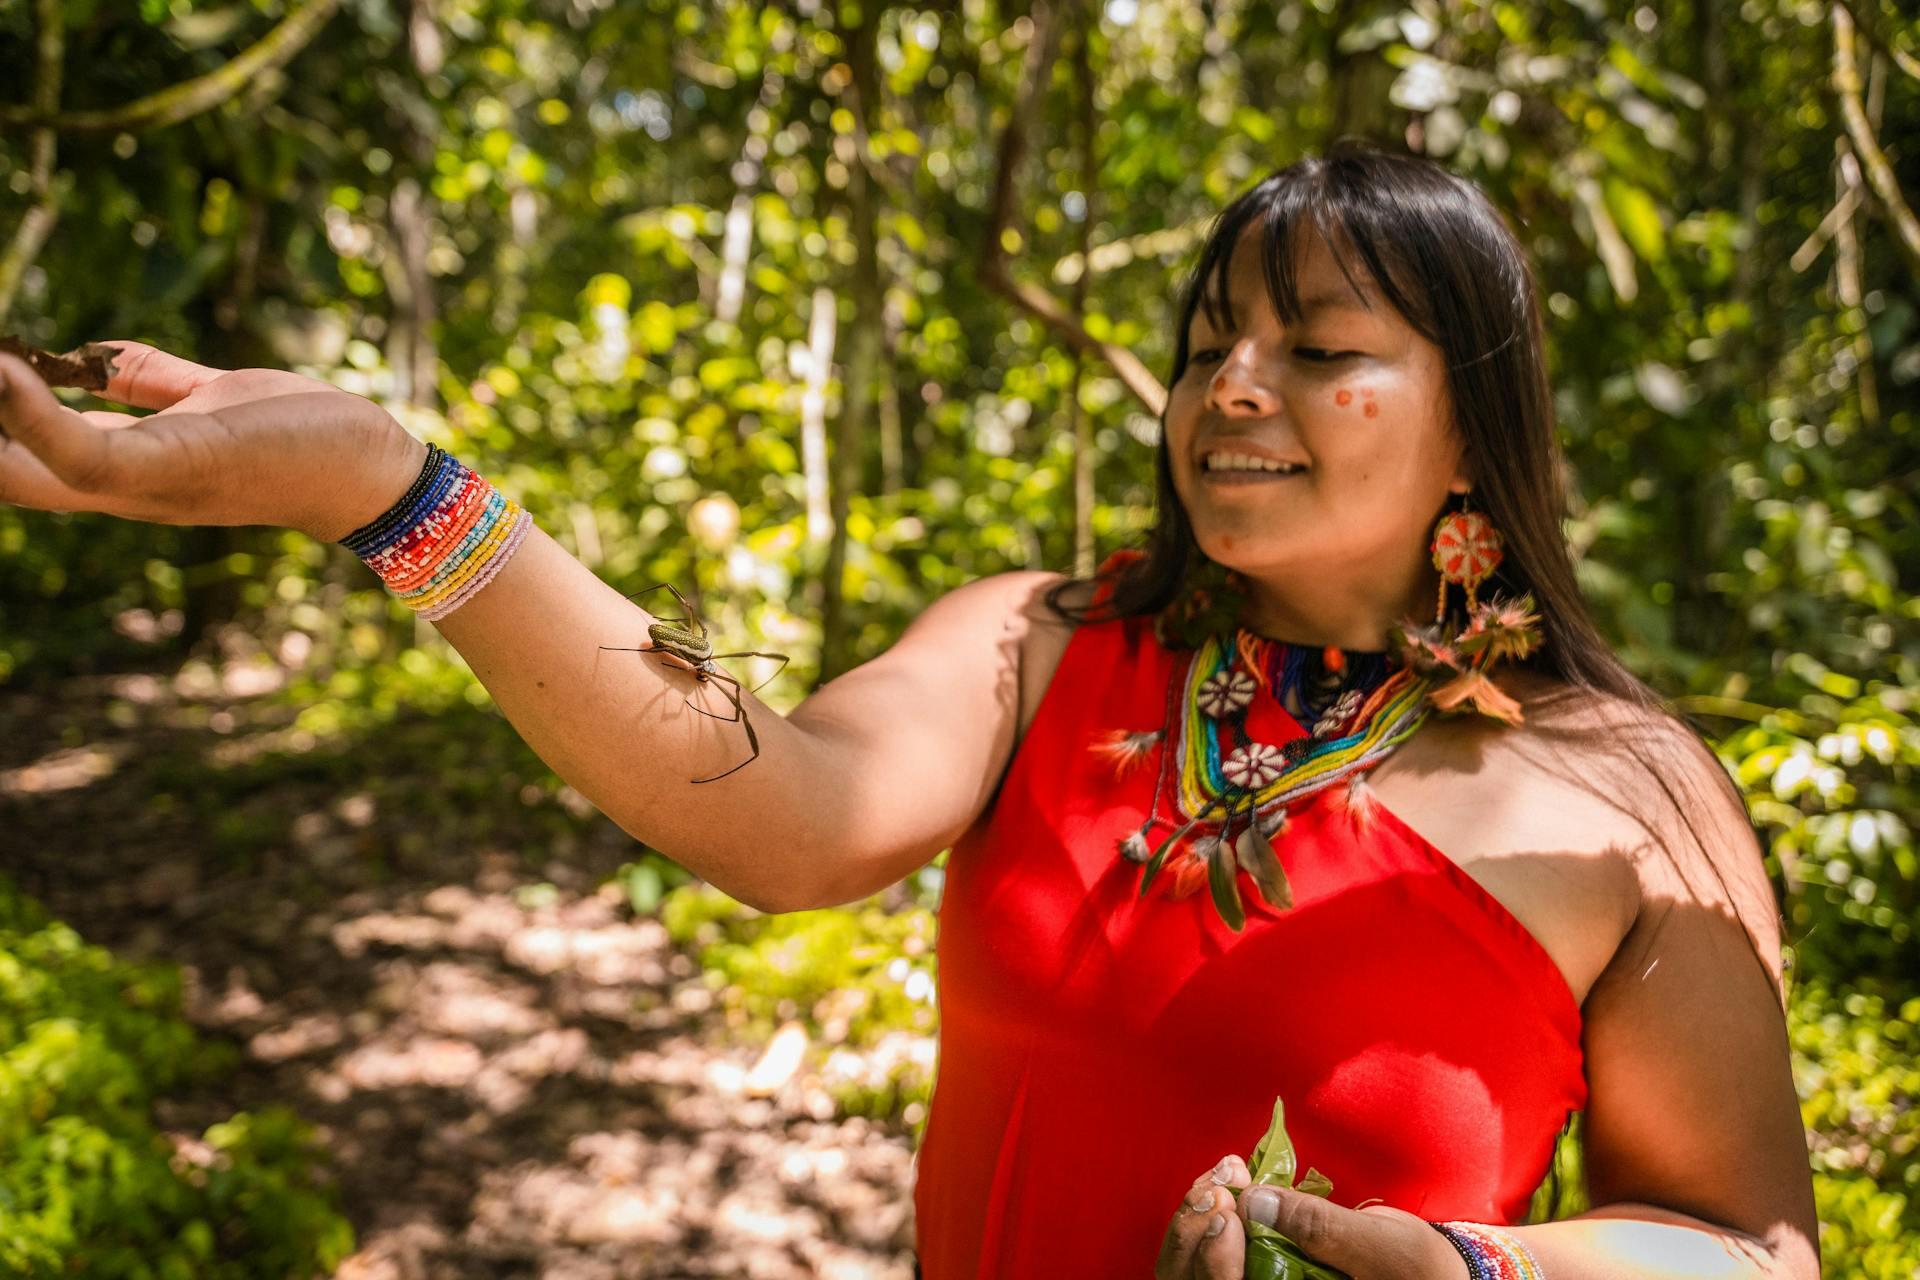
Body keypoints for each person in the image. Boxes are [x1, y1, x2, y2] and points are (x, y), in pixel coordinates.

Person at [0, 141, 1817, 1280]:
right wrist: (387, 488)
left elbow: (1749, 1250)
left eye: (1321, 349)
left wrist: (1481, 1275)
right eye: (1207, 342)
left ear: (1471, 422)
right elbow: (773, 810)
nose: (1228, 386)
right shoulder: (1043, 647)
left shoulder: (1623, 801)